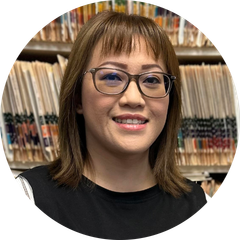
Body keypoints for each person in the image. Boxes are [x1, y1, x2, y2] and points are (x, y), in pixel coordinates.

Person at [16, 10, 207, 239]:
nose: (134, 99)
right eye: (112, 77)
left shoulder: (199, 203)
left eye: (151, 80)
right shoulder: (31, 195)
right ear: (77, 98)